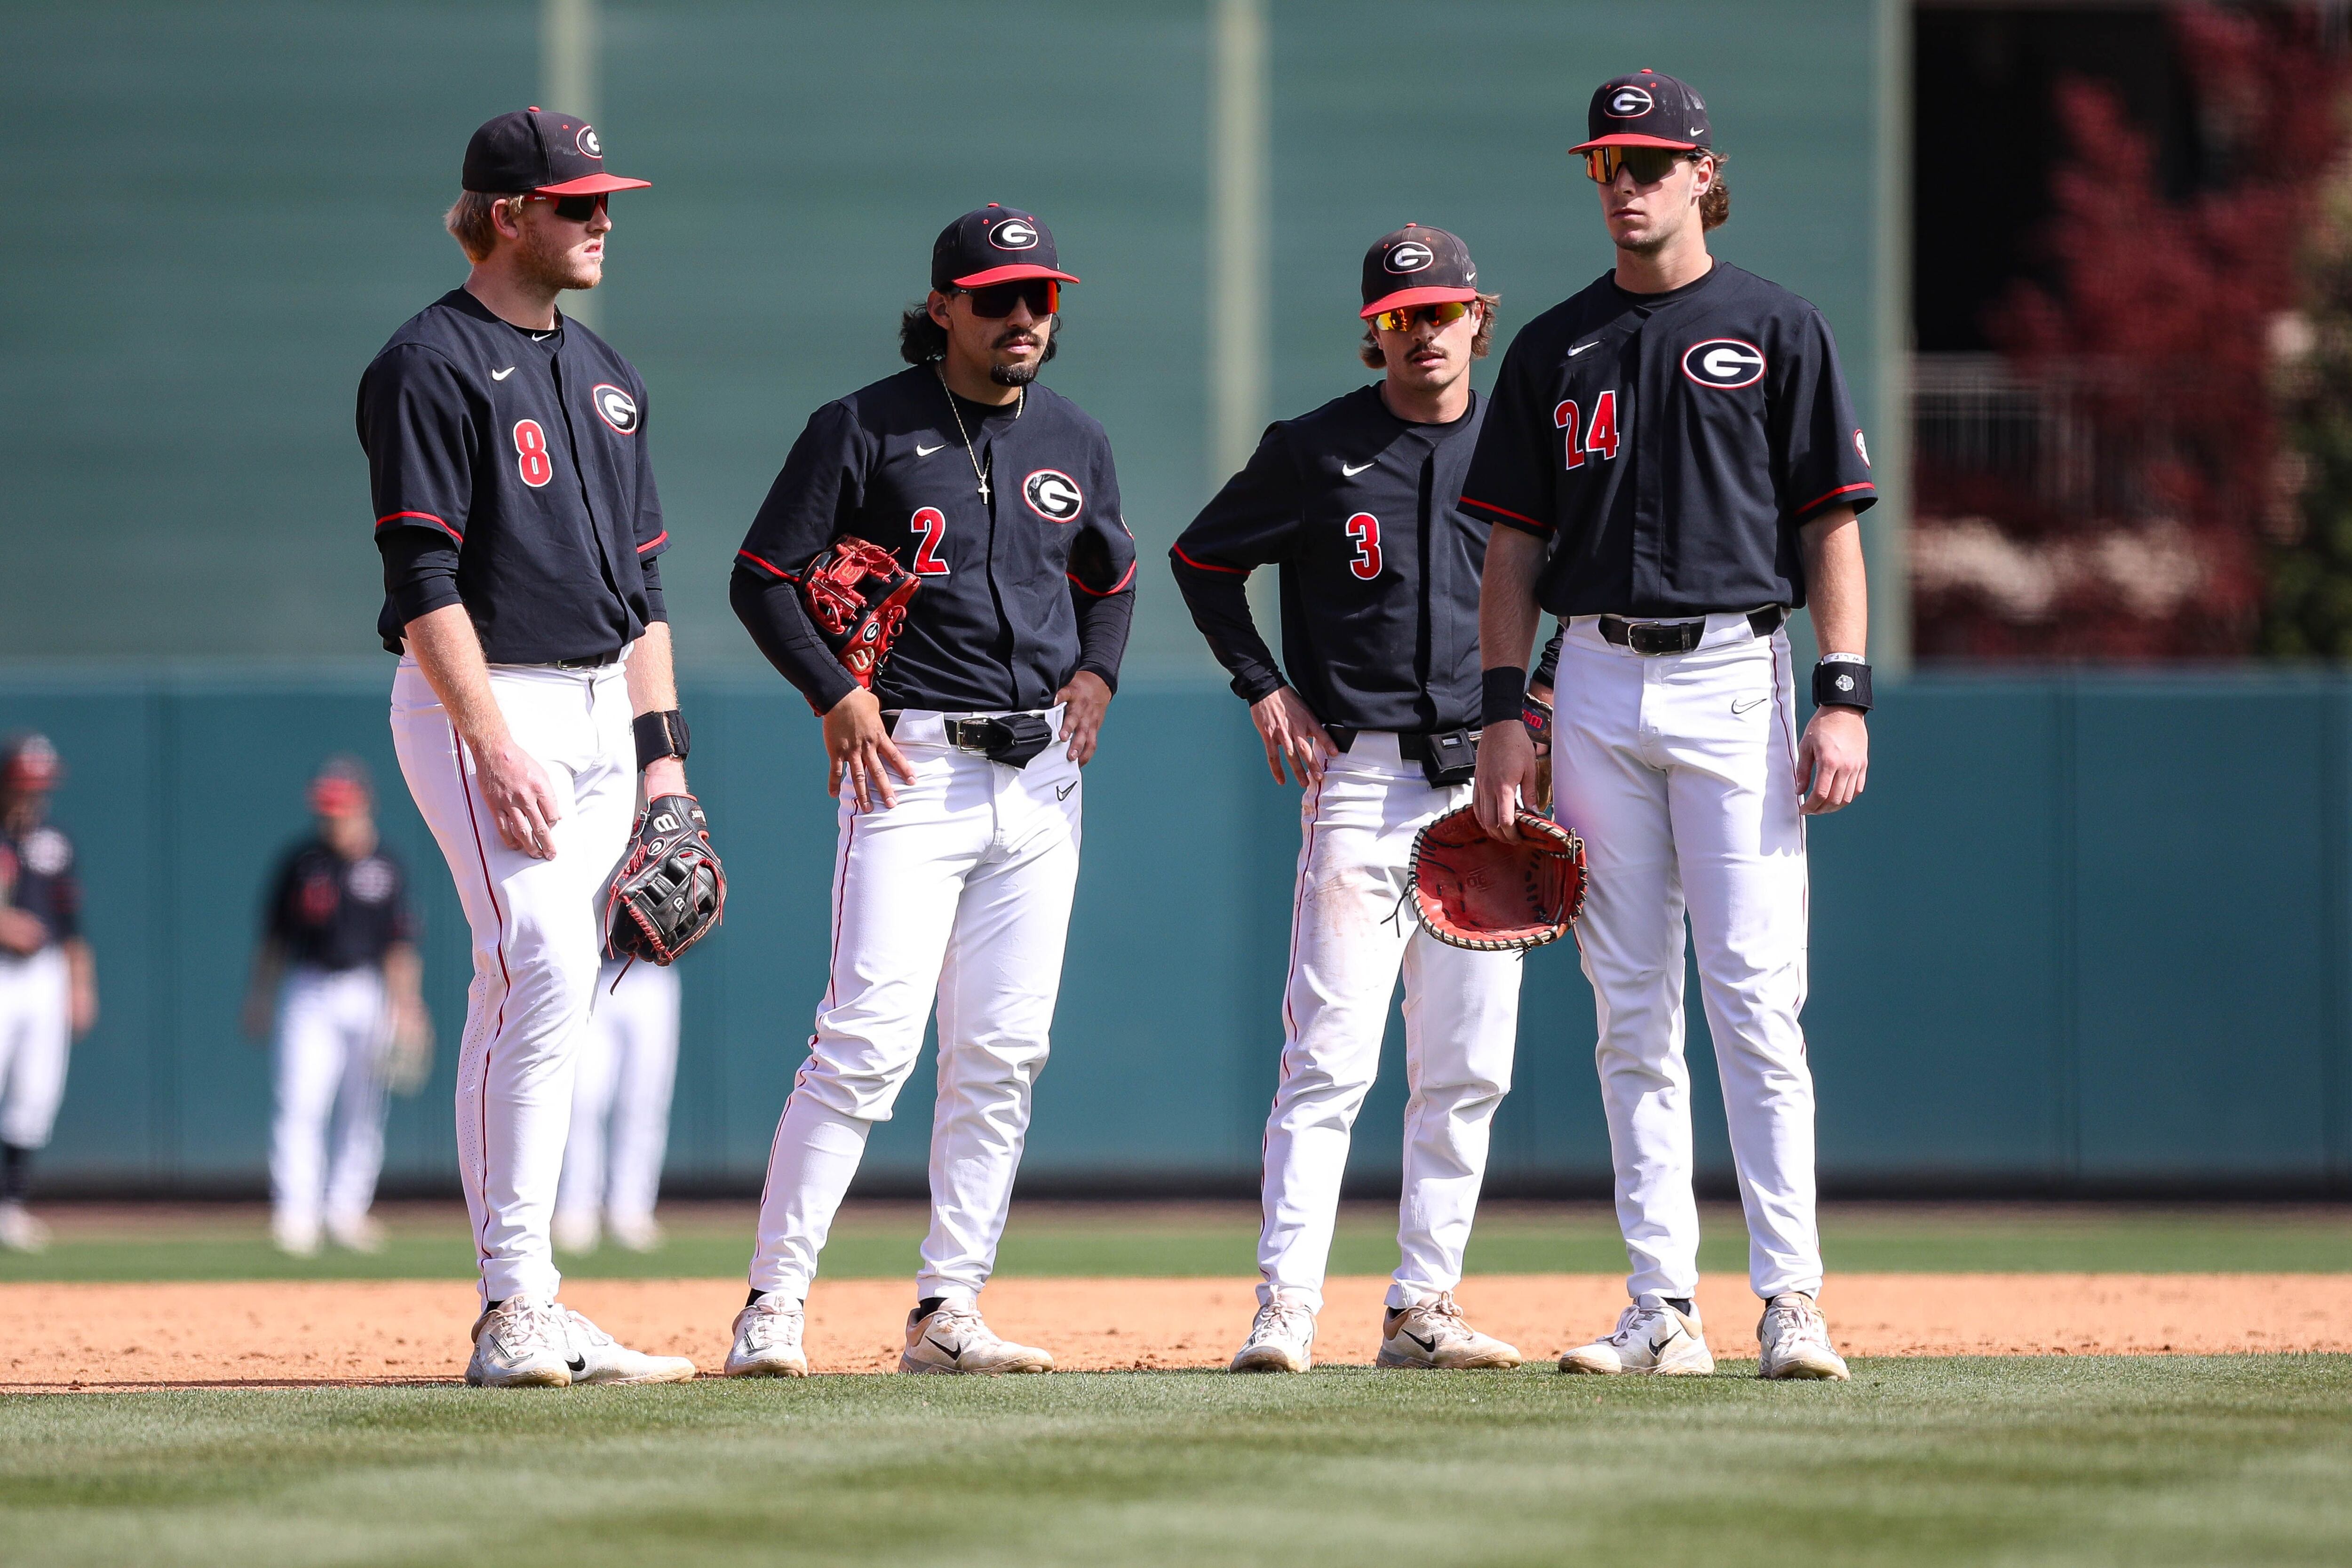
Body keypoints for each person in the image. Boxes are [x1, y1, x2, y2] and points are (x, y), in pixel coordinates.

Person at [1465, 71, 1874, 1381]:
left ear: (1706, 172)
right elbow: (1514, 551)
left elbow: (1831, 529)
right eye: (1609, 163)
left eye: (1652, 161)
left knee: (1755, 996)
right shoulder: (1551, 346)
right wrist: (1503, 713)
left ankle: (1793, 1298)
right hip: (1590, 678)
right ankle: (1662, 1305)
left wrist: (1846, 692)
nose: (1628, 183)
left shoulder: (1777, 325)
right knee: (1628, 1003)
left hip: (1734, 674)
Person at [725, 205, 1136, 1377]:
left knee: (1005, 1050)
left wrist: (1098, 672)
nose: (1023, 316)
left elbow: (1115, 575)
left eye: (1041, 297)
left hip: (1041, 778)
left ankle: (947, 1308)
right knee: (863, 1044)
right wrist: (832, 694)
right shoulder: (860, 427)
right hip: (910, 763)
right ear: (943, 306)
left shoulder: (1073, 436)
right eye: (999, 297)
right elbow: (764, 578)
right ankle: (774, 1304)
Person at [357, 107, 695, 1387]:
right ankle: (515, 1309)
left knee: (552, 994)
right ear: (507, 213)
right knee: (539, 959)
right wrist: (485, 739)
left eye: (604, 201)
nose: (601, 219)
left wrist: (666, 761)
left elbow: (648, 590)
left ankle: (538, 1297)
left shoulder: (607, 374)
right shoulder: (426, 363)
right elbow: (422, 573)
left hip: (609, 707)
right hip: (487, 698)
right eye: (576, 203)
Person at [1169, 226, 1524, 1374]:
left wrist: (1550, 703)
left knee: (1467, 1063)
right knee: (1329, 1058)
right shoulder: (1318, 448)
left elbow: (1580, 584)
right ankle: (1286, 1306)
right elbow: (1202, 559)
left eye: (1441, 310)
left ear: (1482, 316)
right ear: (1373, 328)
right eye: (1399, 315)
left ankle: (1425, 1306)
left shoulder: (1522, 449)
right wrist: (1264, 685)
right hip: (1363, 776)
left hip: (1484, 784)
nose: (1421, 332)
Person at [241, 756, 429, 1258]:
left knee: (364, 1108)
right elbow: (274, 940)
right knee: (299, 1102)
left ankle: (346, 1212)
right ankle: (295, 1214)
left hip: (368, 992)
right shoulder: (302, 862)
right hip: (310, 988)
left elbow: (400, 946)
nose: (332, 820)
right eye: (326, 811)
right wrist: (260, 996)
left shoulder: (386, 865)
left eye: (341, 810)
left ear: (364, 806)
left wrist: (407, 1007)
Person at [0, 734, 96, 1253]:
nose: (32, 796)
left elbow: (72, 922)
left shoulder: (56, 840)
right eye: (23, 785)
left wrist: (81, 984)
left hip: (45, 973)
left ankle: (10, 1206)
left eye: (39, 787)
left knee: (35, 1093)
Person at [553, 955, 680, 1254]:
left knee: (644, 1104)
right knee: (581, 1101)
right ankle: (576, 1207)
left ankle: (632, 1209)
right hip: (589, 972)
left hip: (651, 974)